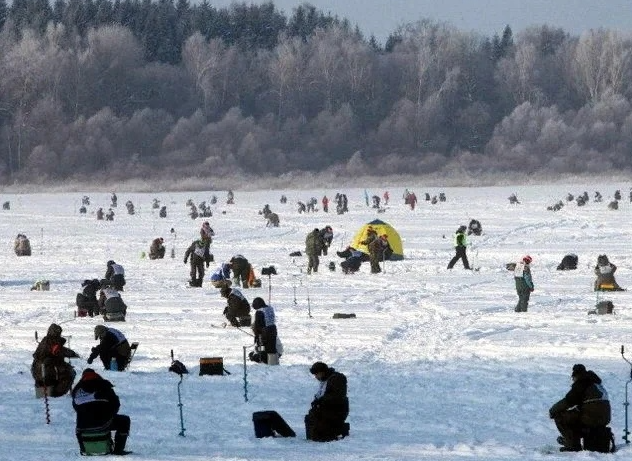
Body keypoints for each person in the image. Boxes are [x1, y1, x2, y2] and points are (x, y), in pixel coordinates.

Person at [549, 364, 611, 452]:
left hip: (592, 418)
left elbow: (569, 401)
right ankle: (571, 441)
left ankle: (572, 445)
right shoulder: (595, 383)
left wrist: (553, 410)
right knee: (574, 416)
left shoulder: (582, 383)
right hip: (604, 418)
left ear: (576, 376)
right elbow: (589, 404)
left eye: (573, 378)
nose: (573, 380)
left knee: (560, 416)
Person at [72, 368, 131, 455]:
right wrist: (108, 415)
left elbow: (76, 408)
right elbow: (115, 404)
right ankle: (118, 450)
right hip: (103, 424)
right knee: (124, 421)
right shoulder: (104, 386)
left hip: (82, 427)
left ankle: (84, 448)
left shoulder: (77, 391)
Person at [305, 361, 349, 442]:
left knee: (318, 421)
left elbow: (336, 396)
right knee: (310, 417)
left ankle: (336, 430)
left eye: (316, 374)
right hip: (326, 409)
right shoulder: (324, 380)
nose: (316, 377)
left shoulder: (336, 379)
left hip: (336, 410)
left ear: (322, 372)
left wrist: (321, 401)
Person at [31, 323, 79, 397]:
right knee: (70, 372)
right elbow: (59, 350)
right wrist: (72, 354)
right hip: (47, 370)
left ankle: (43, 392)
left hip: (37, 370)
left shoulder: (45, 341)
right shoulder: (52, 342)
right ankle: (57, 394)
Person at [252, 297, 278, 365]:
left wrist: (257, 336)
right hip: (273, 330)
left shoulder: (259, 312)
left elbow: (258, 326)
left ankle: (263, 358)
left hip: (264, 332)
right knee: (272, 347)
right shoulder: (270, 308)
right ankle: (273, 361)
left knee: (262, 346)